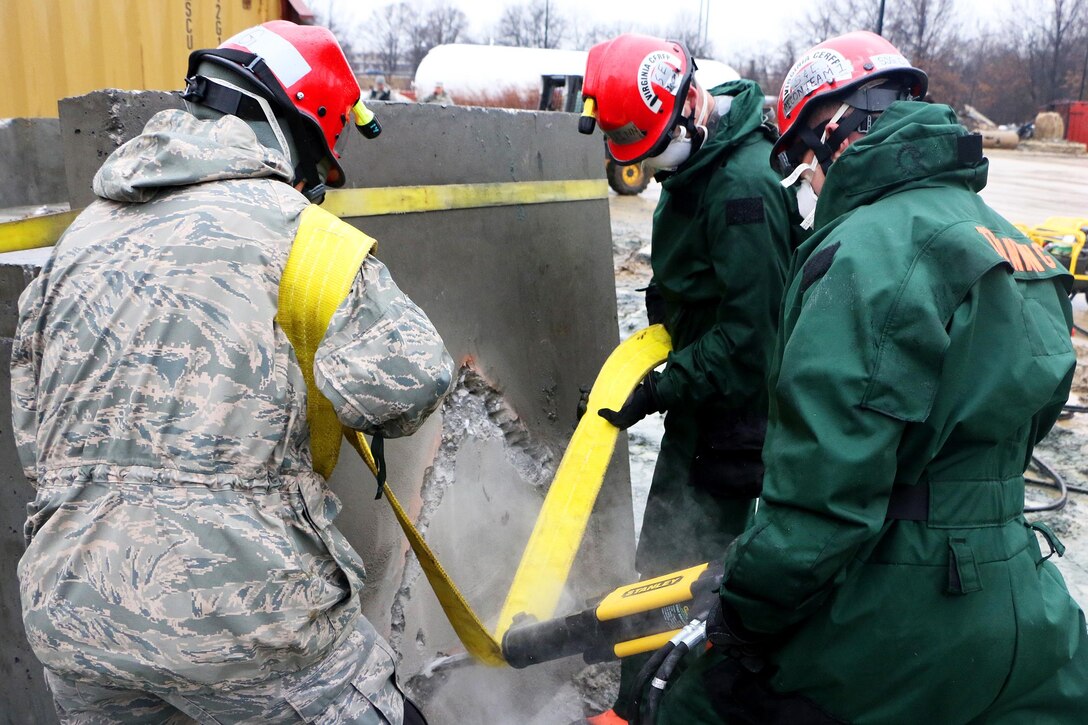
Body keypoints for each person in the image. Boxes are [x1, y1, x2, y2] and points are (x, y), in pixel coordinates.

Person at [12, 21, 453, 724]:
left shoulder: (78, 240)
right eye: (318, 166)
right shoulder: (303, 236)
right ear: (296, 129)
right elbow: (411, 384)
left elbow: (35, 430)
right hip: (248, 621)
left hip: (76, 617)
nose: (311, 186)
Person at [654, 30, 1088, 723]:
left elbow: (822, 509)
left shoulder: (862, 253)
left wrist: (740, 613)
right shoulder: (1016, 242)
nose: (808, 183)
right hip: (1030, 610)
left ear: (838, 131)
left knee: (689, 704)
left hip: (907, 611)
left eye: (802, 159)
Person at [576, 33, 797, 723]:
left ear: (692, 102)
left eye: (655, 147)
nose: (652, 165)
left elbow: (749, 339)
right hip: (702, 409)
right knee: (662, 566)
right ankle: (639, 705)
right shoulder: (701, 162)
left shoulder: (744, 190)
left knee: (692, 576)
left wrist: (659, 387)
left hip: (735, 426)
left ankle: (662, 711)